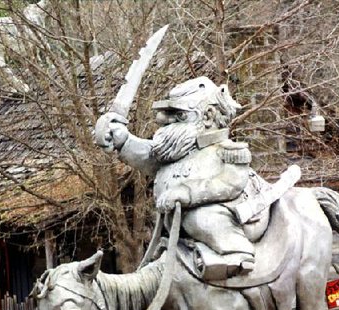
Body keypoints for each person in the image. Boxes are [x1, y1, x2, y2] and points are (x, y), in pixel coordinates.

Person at [96, 76, 270, 279]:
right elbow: (149, 156)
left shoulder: (228, 151)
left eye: (178, 115)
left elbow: (230, 183)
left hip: (232, 213)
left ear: (208, 116)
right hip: (173, 224)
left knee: (203, 218)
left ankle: (236, 253)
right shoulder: (176, 151)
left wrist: (186, 192)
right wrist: (123, 140)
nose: (166, 122)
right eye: (166, 115)